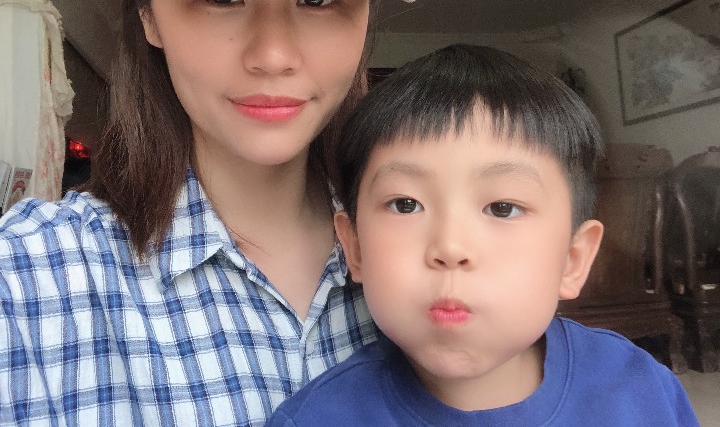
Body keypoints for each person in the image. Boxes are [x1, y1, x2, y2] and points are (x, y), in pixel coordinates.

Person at [0, 0, 416, 425]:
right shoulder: (29, 278)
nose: (273, 55)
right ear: (147, 10)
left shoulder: (437, 253)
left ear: (367, 9)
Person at [267, 44, 699, 426]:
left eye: (502, 208)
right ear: (356, 247)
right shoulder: (313, 418)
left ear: (573, 260)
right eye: (406, 204)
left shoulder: (643, 391)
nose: (450, 247)